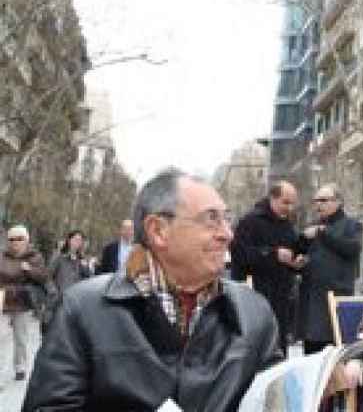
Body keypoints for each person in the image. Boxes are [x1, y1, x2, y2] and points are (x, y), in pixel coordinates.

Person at [22, 168, 281, 411]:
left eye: (227, 219)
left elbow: (275, 401)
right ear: (158, 230)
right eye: (211, 219)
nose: (227, 234)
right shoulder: (82, 309)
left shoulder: (254, 311)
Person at [231, 180, 304, 353]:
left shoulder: (288, 224)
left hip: (282, 296)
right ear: (272, 198)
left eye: (292, 203)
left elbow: (291, 253)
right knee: (257, 346)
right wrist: (273, 254)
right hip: (255, 294)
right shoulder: (250, 221)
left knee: (278, 346)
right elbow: (240, 255)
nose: (289, 208)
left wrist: (296, 262)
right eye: (285, 202)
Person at [296, 183, 362, 355]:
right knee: (311, 357)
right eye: (316, 201)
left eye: (324, 200)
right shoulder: (314, 226)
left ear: (338, 202)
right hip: (311, 303)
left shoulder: (350, 224)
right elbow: (300, 252)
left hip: (335, 301)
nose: (319, 204)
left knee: (334, 358)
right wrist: (300, 259)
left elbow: (352, 249)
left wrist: (322, 234)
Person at [1, 224, 47, 381]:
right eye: (11, 239)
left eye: (19, 239)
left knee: (20, 337)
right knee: (1, 337)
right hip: (3, 300)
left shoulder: (35, 257)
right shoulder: (3, 256)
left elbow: (43, 278)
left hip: (23, 301)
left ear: (26, 240)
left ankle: (20, 367)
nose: (15, 242)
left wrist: (30, 270)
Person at [48, 229, 92, 306]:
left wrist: (85, 267)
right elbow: (48, 277)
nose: (77, 242)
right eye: (75, 239)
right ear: (69, 240)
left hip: (77, 300)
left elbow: (88, 279)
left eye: (80, 240)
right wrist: (54, 293)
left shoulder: (82, 259)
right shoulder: (59, 257)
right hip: (60, 299)